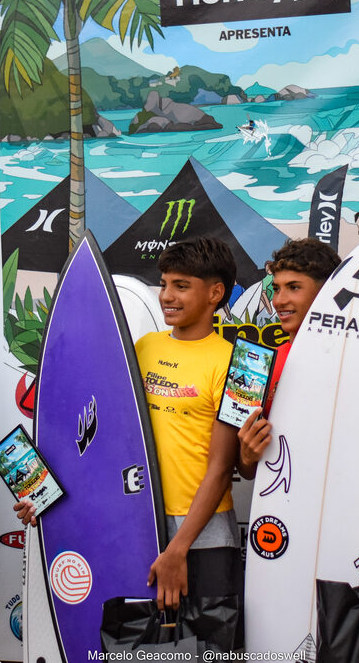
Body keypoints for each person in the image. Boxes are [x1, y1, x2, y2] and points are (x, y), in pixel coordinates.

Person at [236, 238, 359, 597]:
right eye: (276, 289)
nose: (279, 301)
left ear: (327, 293)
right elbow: (247, 471)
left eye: (293, 288)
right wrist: (246, 453)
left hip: (352, 529)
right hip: (286, 531)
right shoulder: (262, 364)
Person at [136, 236, 239, 613]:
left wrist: (178, 547)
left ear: (215, 293)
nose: (167, 295)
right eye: (164, 284)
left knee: (208, 650)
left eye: (181, 286)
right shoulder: (144, 347)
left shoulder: (237, 363)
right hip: (140, 521)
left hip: (205, 533)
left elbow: (221, 466)